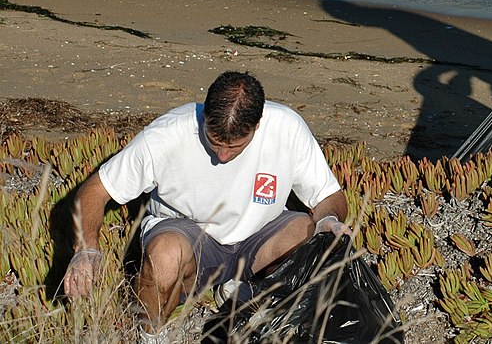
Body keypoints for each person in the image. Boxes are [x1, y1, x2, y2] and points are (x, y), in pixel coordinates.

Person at [62, 70, 351, 344]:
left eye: (235, 147)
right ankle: (151, 335)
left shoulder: (287, 127)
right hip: (190, 236)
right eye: (214, 142)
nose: (223, 156)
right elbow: (95, 191)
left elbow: (329, 196)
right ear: (204, 115)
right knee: (164, 255)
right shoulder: (167, 134)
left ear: (258, 124)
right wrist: (87, 249)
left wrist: (329, 220)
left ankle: (246, 293)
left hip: (259, 237)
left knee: (306, 230)